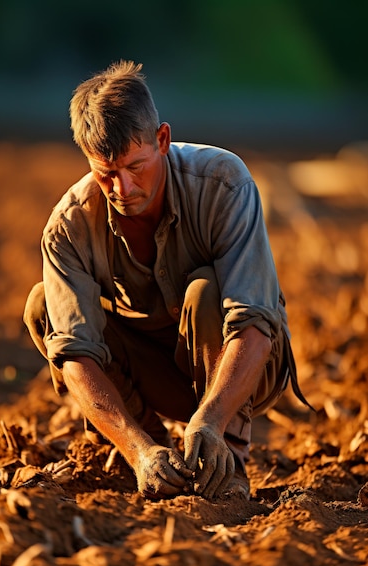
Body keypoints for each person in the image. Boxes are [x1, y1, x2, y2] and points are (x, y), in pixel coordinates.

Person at [24, 60, 309, 501]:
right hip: (149, 369)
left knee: (204, 291)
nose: (122, 189)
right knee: (44, 305)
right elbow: (76, 355)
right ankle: (154, 454)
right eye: (106, 174)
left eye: (136, 167)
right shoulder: (70, 226)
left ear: (162, 140)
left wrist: (212, 421)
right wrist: (140, 450)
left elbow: (254, 322)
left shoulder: (222, 183)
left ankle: (223, 466)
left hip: (241, 368)